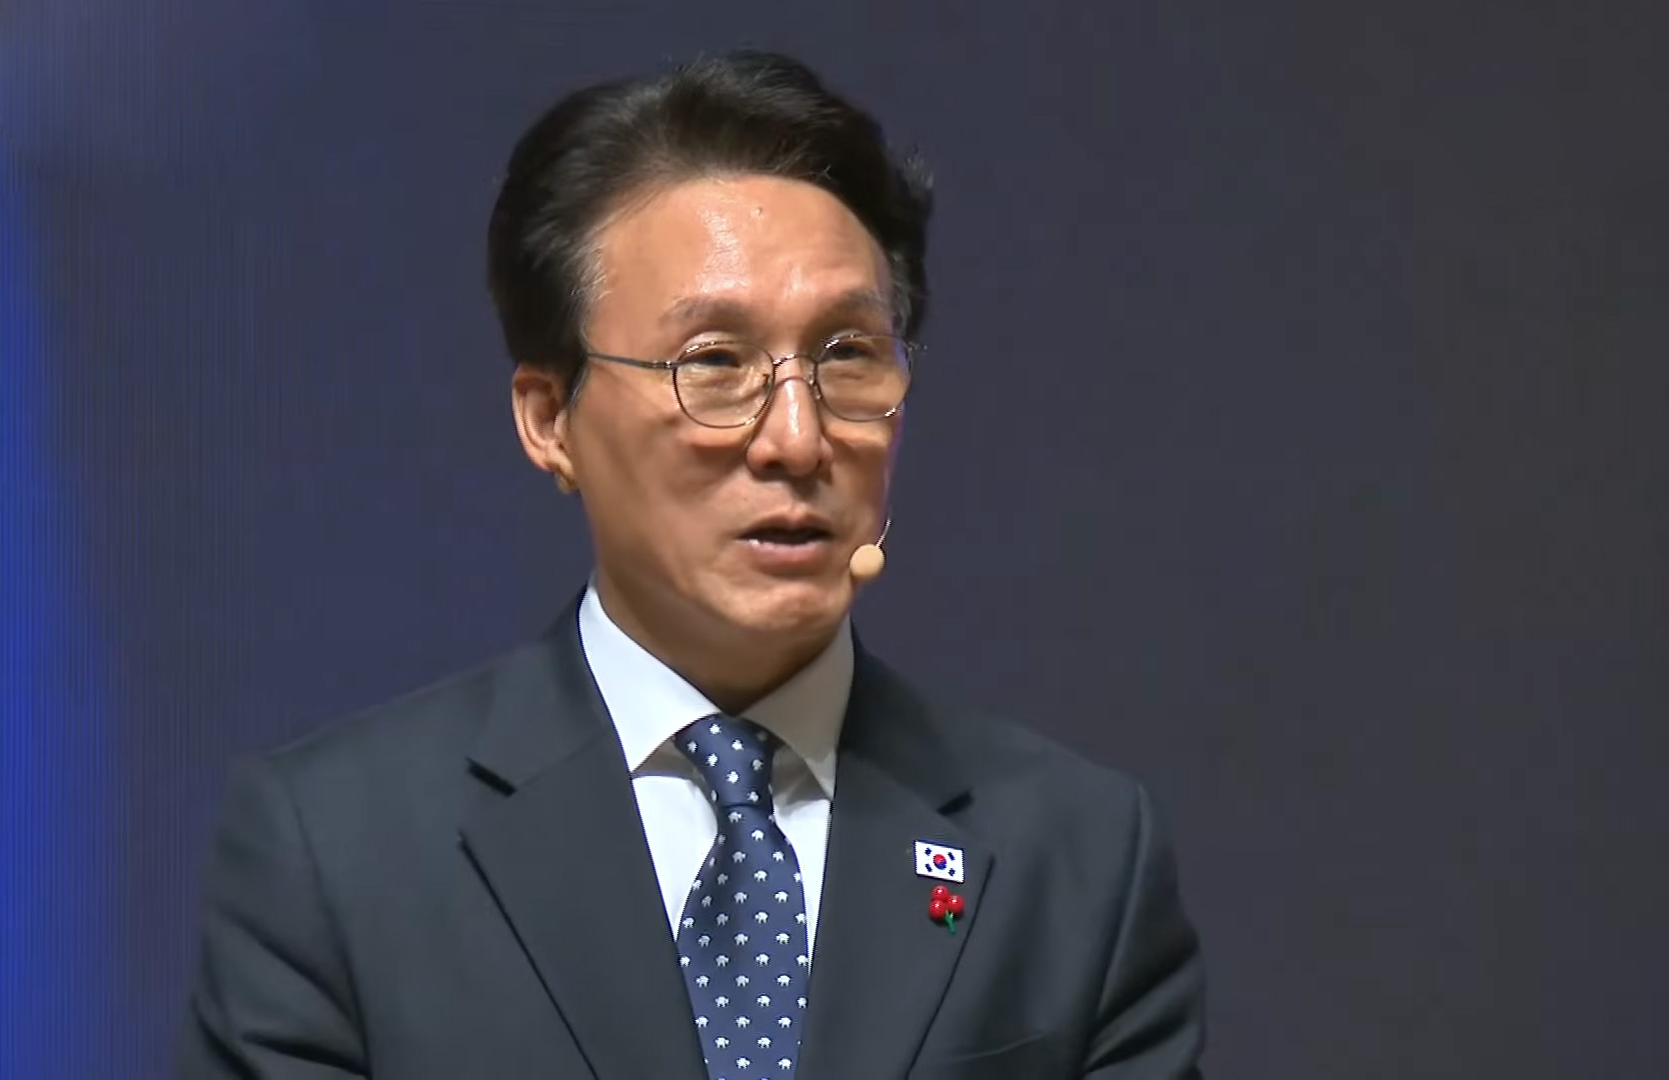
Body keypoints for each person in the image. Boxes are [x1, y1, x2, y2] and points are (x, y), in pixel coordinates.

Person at [178, 50, 1206, 1080]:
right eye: (714, 362)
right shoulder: (337, 853)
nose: (797, 439)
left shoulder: (1075, 857)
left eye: (848, 354)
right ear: (550, 418)